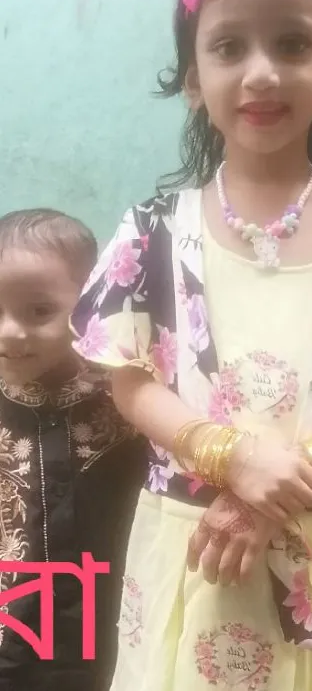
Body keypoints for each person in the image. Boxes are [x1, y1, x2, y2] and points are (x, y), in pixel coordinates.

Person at [70, 0, 312, 690]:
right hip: (194, 558)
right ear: (192, 77)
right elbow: (127, 376)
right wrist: (230, 456)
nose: (260, 73)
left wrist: (280, 486)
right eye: (227, 48)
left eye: (291, 45)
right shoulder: (151, 233)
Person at [0, 209, 146, 691]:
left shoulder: (129, 401)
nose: (10, 332)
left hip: (112, 640)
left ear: (89, 301)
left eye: (38, 311)